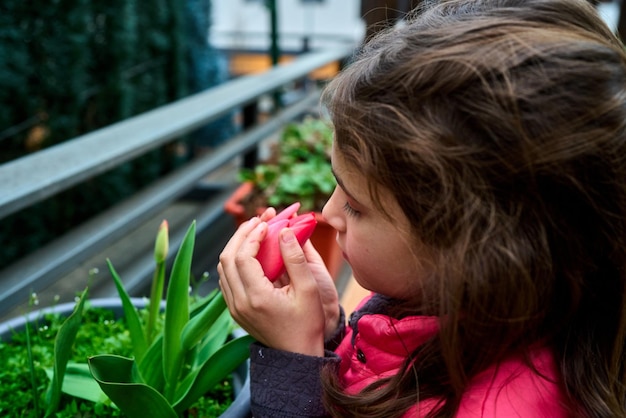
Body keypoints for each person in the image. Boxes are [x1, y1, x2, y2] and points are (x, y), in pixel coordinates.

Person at [217, 0, 626, 416]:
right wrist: (328, 336)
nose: (331, 214)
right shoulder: (436, 303)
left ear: (477, 251)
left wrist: (294, 361)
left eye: (356, 207)